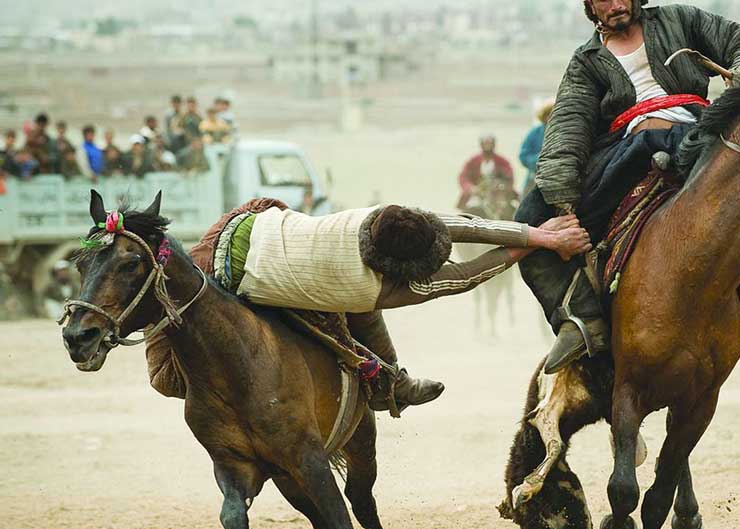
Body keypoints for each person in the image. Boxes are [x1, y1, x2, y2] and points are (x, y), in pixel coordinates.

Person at [514, 0, 740, 374]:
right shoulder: (586, 61)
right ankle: (579, 318)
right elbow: (569, 124)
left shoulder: (679, 19)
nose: (614, 4)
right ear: (591, 7)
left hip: (699, 131)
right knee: (530, 220)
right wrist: (560, 195)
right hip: (628, 147)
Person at [146, 199, 590, 411]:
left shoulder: (373, 217)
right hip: (226, 282)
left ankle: (394, 383)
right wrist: (537, 243)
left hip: (241, 220)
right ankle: (389, 386)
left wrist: (542, 236)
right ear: (401, 272)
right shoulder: (373, 290)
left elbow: (458, 226)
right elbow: (463, 276)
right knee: (333, 335)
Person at [457, 135, 516, 210]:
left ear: (494, 145)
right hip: (477, 194)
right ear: (481, 145)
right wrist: (471, 188)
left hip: (498, 195)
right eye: (485, 144)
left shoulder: (502, 162)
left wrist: (501, 186)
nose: (487, 146)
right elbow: (463, 177)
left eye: (489, 144)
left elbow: (509, 178)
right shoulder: (473, 161)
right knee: (471, 208)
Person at [519, 100, 554, 193]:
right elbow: (523, 156)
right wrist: (539, 159)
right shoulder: (534, 133)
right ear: (544, 116)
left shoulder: (565, 133)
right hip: (534, 177)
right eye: (549, 114)